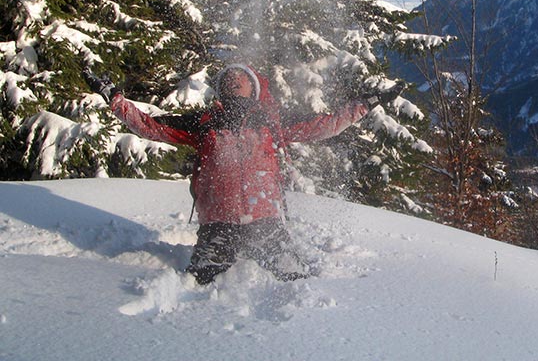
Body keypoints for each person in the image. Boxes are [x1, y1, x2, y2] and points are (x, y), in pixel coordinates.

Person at [85, 63, 399, 284]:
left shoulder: (272, 121)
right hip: (219, 221)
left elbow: (325, 125)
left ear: (254, 87)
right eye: (229, 79)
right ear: (221, 88)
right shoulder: (204, 122)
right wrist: (115, 100)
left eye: (241, 78)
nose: (235, 81)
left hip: (265, 220)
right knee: (202, 281)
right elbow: (151, 126)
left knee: (293, 279)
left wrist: (366, 103)